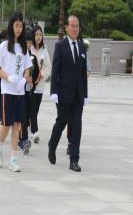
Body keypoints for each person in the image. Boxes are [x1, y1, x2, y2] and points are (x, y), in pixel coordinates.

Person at [0, 11, 32, 172]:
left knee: (17, 125)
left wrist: (23, 79)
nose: (19, 29)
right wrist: (9, 78)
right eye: (16, 25)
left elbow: (27, 67)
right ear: (11, 26)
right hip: (7, 90)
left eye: (21, 26)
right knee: (6, 124)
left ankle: (13, 158)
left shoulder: (23, 47)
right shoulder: (3, 46)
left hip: (20, 91)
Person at [48, 15, 88, 172]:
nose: (75, 29)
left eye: (77, 26)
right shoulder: (60, 46)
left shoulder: (82, 46)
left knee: (77, 126)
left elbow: (83, 73)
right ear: (66, 28)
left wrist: (85, 95)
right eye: (72, 25)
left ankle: (74, 159)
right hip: (63, 93)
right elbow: (55, 70)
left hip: (78, 94)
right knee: (61, 122)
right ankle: (52, 145)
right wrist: (53, 92)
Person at [30, 25, 51, 143]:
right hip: (31, 85)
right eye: (36, 34)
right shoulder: (30, 49)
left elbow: (49, 66)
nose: (38, 37)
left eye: (40, 34)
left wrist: (42, 74)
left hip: (40, 85)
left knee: (36, 109)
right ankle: (35, 131)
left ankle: (30, 128)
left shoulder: (44, 49)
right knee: (32, 109)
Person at [17, 29, 38, 155]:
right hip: (20, 92)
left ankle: (26, 137)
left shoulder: (33, 58)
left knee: (30, 115)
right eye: (27, 42)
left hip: (30, 92)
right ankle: (22, 139)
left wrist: (32, 81)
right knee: (22, 117)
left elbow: (37, 74)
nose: (28, 45)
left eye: (30, 43)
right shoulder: (19, 57)